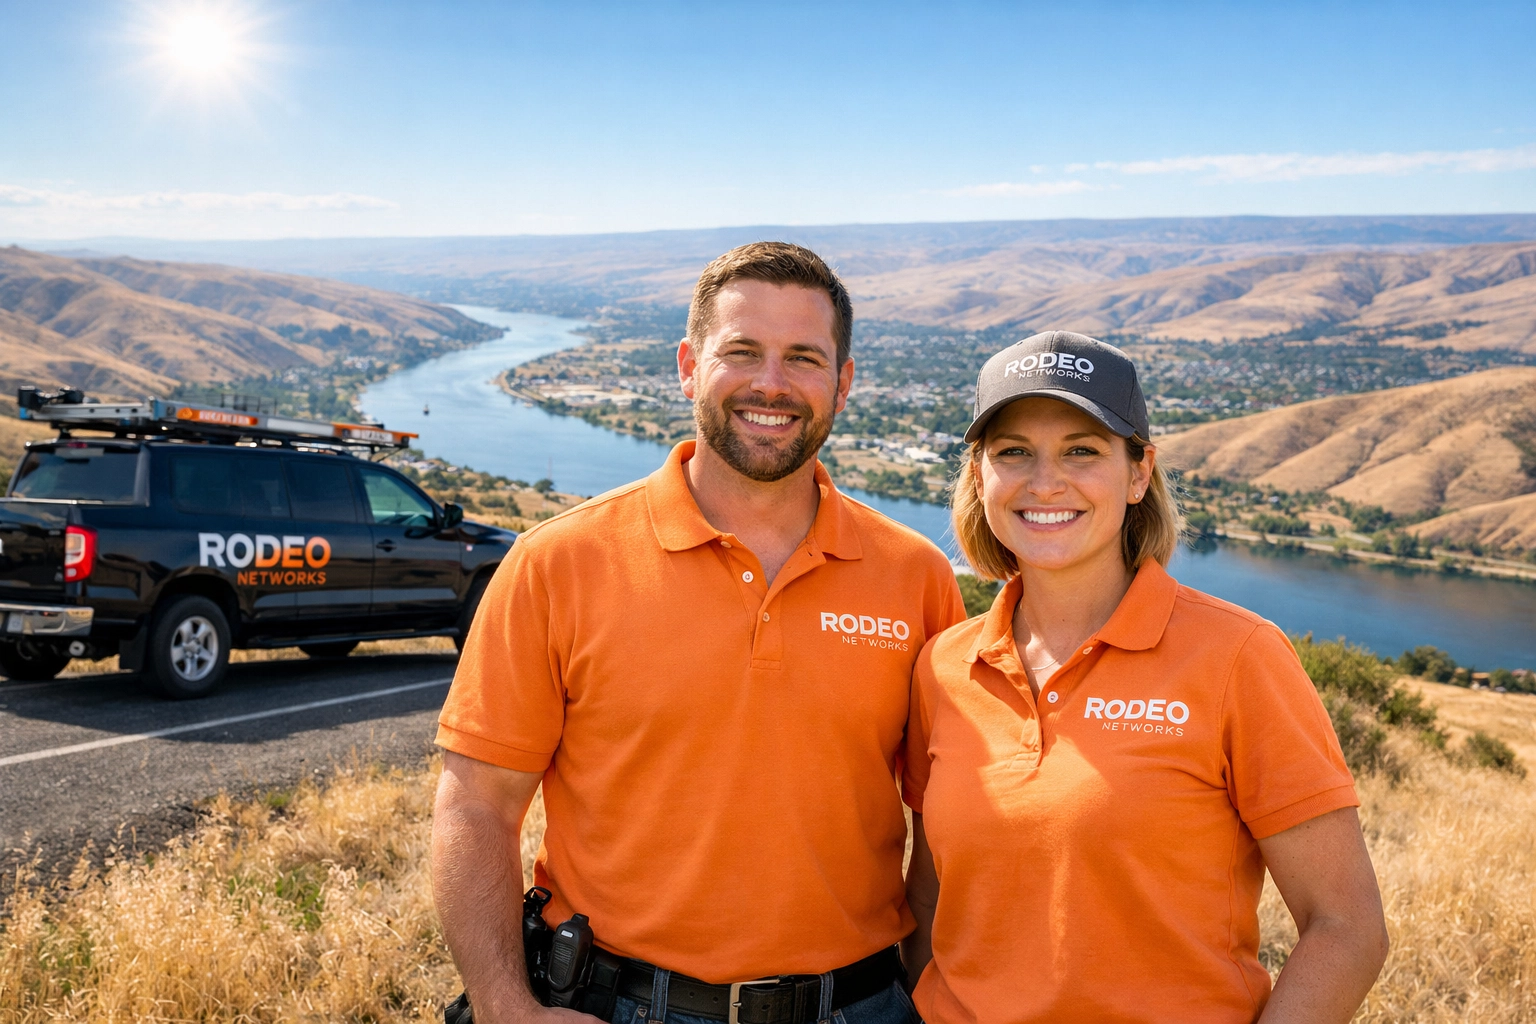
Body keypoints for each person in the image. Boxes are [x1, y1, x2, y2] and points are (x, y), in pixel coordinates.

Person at [432, 241, 966, 1024]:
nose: (771, 384)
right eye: (741, 351)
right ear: (688, 365)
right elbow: (476, 806)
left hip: (861, 1006)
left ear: (844, 383)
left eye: (804, 358)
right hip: (621, 1004)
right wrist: (505, 1004)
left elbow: (944, 822)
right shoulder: (560, 562)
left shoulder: (915, 577)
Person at [901, 331, 1389, 1023]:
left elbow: (1346, 928)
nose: (1046, 481)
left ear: (1137, 473)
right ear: (980, 475)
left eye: (1082, 451)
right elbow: (930, 898)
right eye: (1014, 452)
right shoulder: (945, 667)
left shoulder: (1238, 656)